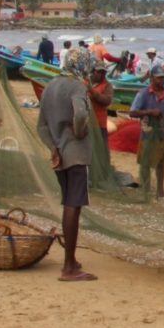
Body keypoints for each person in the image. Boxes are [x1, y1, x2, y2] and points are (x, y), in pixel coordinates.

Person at [36, 50, 98, 281]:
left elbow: (41, 126)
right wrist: (80, 131)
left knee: (67, 204)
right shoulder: (77, 87)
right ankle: (69, 267)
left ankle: (70, 260)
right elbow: (81, 113)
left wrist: (53, 147)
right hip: (75, 153)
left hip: (59, 153)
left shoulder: (50, 86)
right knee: (74, 205)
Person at [129, 63, 164, 198]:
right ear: (151, 78)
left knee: (160, 162)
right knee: (145, 162)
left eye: (163, 78)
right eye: (158, 78)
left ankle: (160, 190)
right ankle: (145, 187)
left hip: (162, 133)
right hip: (147, 133)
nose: (161, 80)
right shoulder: (143, 94)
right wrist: (149, 112)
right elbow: (132, 112)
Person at [87, 59, 114, 153]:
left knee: (101, 150)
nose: (101, 74)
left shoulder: (107, 85)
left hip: (99, 123)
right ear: (93, 71)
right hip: (86, 122)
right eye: (99, 72)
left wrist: (92, 91)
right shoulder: (86, 81)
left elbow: (107, 100)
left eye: (103, 72)